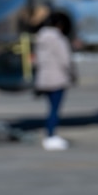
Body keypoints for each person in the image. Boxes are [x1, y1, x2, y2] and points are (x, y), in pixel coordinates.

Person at [33, 10, 75, 151]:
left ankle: (49, 134)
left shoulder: (40, 38)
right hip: (57, 78)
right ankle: (51, 135)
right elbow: (65, 59)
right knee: (55, 110)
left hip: (43, 78)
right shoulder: (58, 38)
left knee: (50, 108)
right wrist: (72, 74)